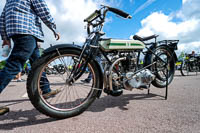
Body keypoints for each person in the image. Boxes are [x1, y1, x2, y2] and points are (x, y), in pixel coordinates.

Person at [0, 0, 60, 115]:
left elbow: (2, 18)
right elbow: (43, 10)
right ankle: (45, 89)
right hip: (28, 31)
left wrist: (5, 38)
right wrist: (54, 27)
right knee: (14, 65)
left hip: (16, 33)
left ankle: (46, 89)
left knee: (38, 63)